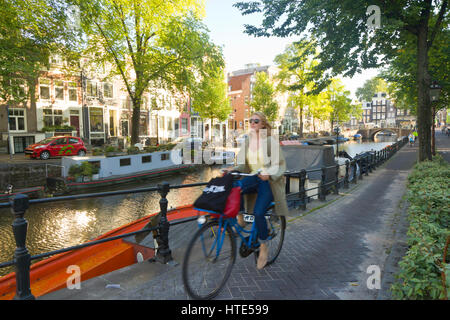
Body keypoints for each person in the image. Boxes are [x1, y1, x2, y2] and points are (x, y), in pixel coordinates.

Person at [229, 112, 289, 269]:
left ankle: (264, 247)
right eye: (251, 121)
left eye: (256, 121)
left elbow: (280, 164)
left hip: (267, 182)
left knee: (259, 213)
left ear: (263, 124)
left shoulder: (270, 141)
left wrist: (270, 173)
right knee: (235, 186)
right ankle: (240, 218)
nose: (253, 123)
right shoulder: (248, 141)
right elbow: (242, 165)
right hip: (253, 177)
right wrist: (232, 170)